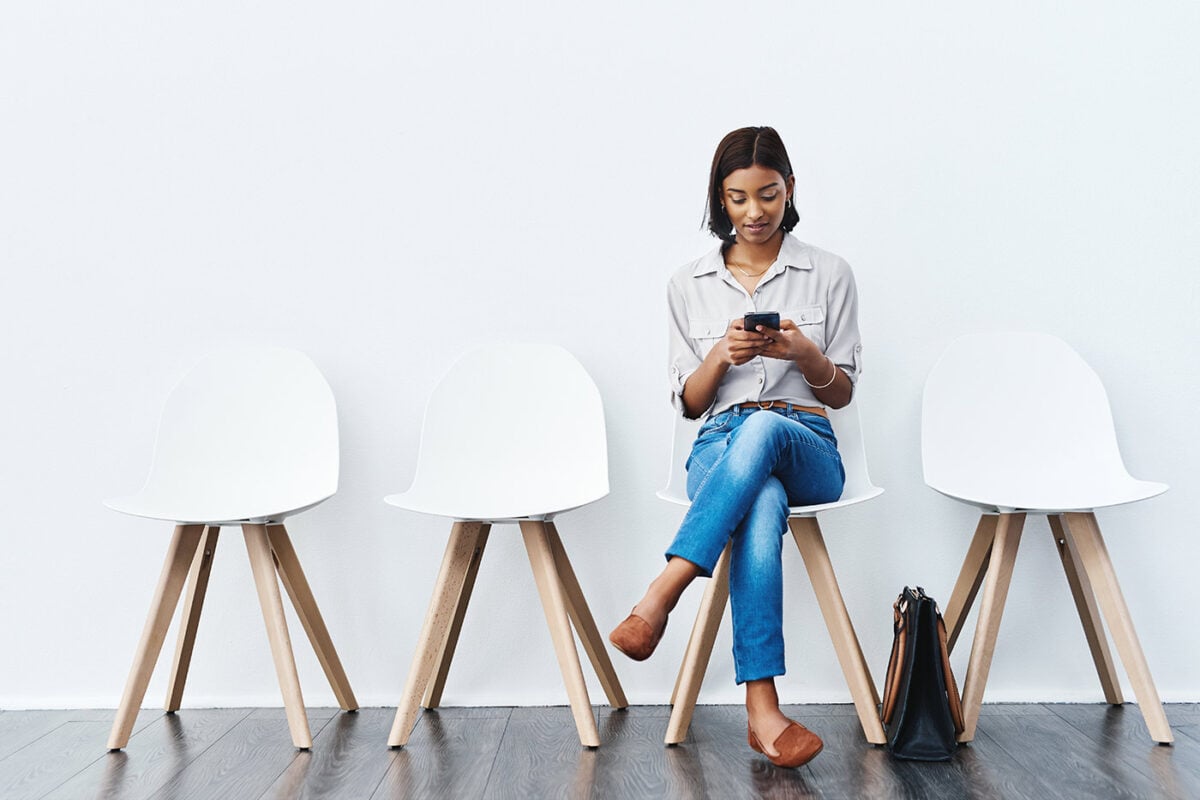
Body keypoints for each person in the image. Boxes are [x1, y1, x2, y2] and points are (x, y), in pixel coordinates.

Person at [609, 126, 862, 769]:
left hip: (806, 439)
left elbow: (842, 396)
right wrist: (721, 355)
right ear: (720, 200)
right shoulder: (687, 282)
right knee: (761, 496)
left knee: (766, 430)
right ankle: (763, 710)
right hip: (719, 446)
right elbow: (690, 405)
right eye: (738, 198)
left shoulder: (829, 273)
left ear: (790, 190)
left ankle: (665, 589)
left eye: (768, 195)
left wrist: (805, 353)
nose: (754, 213)